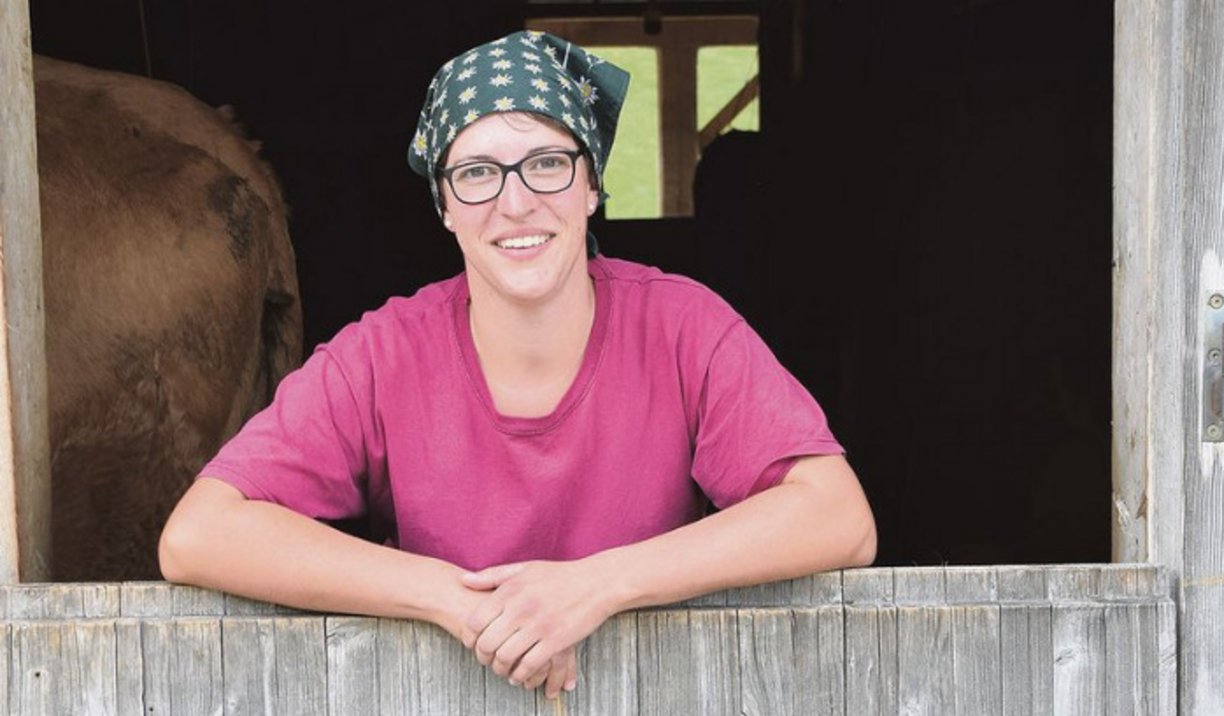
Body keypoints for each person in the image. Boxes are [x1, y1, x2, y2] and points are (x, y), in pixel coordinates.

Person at [158, 29, 876, 700]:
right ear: (444, 204)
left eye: (547, 164)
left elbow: (838, 516)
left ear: (592, 185)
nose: (516, 202)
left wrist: (594, 587)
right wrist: (454, 600)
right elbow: (201, 534)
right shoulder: (383, 354)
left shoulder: (683, 327)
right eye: (477, 173)